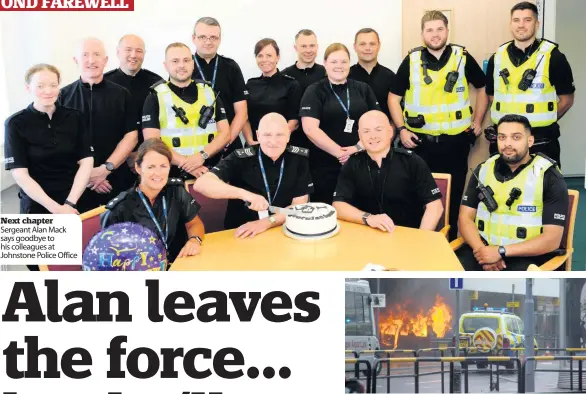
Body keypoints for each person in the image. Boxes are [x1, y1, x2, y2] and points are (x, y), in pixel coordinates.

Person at [388, 10, 488, 240]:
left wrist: (478, 121)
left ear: (447, 30)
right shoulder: (412, 60)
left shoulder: (462, 57)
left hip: (456, 142)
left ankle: (449, 243)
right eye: (430, 30)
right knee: (417, 196)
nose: (435, 34)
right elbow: (393, 97)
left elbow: (483, 88)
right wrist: (402, 129)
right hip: (419, 144)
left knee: (452, 198)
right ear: (422, 33)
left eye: (439, 29)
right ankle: (419, 242)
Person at [5, 64, 94, 271]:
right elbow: (21, 175)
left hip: (73, 201)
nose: (48, 91)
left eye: (53, 85)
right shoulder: (14, 123)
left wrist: (69, 204)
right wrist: (56, 209)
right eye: (40, 86)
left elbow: (86, 161)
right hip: (36, 205)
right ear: (28, 88)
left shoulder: (75, 117)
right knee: (40, 270)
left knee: (78, 268)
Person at [457, 114, 568, 271]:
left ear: (530, 141)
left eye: (516, 137)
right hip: (482, 249)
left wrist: (500, 252)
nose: (507, 144)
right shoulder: (483, 170)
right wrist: (482, 251)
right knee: (445, 279)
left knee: (516, 290)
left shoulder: (549, 176)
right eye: (502, 137)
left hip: (527, 255)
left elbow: (552, 239)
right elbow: (465, 217)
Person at [194, 113, 313, 238]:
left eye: (279, 135)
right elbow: (201, 184)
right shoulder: (240, 157)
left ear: (288, 135)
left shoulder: (299, 158)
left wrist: (267, 222)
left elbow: (299, 205)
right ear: (258, 135)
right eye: (267, 135)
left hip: (283, 230)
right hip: (242, 232)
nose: (273, 142)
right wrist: (245, 195)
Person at [485, 1, 575, 165]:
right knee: (501, 188)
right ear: (510, 24)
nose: (521, 25)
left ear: (537, 23)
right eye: (516, 20)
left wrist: (545, 119)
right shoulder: (497, 58)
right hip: (505, 143)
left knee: (544, 189)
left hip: (542, 142)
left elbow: (567, 99)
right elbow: (491, 96)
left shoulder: (553, 57)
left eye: (527, 20)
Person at [58, 37, 138, 213]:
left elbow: (131, 136)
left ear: (106, 60)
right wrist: (87, 176)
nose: (91, 60)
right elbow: (57, 142)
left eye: (96, 55)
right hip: (76, 185)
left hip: (117, 180)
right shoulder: (62, 96)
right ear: (76, 60)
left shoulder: (122, 94)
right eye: (85, 55)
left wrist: (105, 169)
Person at [333, 110, 443, 231]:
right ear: (359, 136)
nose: (373, 136)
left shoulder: (412, 161)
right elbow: (338, 205)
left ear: (390, 132)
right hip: (366, 237)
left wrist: (421, 239)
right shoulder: (352, 164)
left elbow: (435, 206)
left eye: (378, 129)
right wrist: (368, 218)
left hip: (408, 237)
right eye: (366, 131)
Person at [101, 138, 205, 264]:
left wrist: (194, 240)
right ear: (138, 168)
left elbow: (194, 224)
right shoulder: (119, 208)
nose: (158, 173)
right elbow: (109, 258)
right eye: (151, 167)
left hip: (179, 265)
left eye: (163, 166)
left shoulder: (176, 191)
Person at [300, 43, 380, 204]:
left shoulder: (363, 89)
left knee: (363, 211)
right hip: (325, 167)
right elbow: (310, 129)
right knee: (327, 213)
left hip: (362, 162)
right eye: (334, 62)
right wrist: (341, 153)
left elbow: (379, 123)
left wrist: (357, 148)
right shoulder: (314, 91)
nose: (339, 66)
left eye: (343, 62)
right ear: (325, 63)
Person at [142, 42, 230, 179]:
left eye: (186, 60)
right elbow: (152, 142)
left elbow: (225, 133)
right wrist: (188, 164)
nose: (181, 65)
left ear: (193, 63)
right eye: (175, 61)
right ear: (166, 65)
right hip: (172, 175)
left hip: (210, 171)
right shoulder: (155, 97)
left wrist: (202, 156)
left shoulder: (209, 92)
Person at [104, 34, 163, 170]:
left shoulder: (157, 83)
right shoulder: (105, 83)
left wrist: (143, 154)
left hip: (151, 159)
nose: (133, 55)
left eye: (139, 51)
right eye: (128, 50)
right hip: (112, 161)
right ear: (118, 52)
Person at [191, 17, 248, 155]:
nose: (208, 42)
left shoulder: (231, 67)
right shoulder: (183, 67)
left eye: (213, 37)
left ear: (219, 39)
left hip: (229, 145)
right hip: (194, 145)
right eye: (203, 37)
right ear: (194, 38)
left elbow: (242, 113)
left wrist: (225, 140)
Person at [242, 38, 301, 146]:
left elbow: (294, 121)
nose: (264, 59)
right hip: (254, 143)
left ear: (277, 57)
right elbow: (244, 117)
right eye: (260, 55)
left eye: (269, 55)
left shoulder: (291, 84)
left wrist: (274, 140)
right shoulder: (250, 84)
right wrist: (250, 140)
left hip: (281, 144)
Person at [282, 29, 327, 148]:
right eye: (303, 46)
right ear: (296, 48)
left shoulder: (327, 73)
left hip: (323, 139)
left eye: (312, 46)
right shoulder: (284, 76)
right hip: (292, 142)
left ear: (317, 47)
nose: (308, 50)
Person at [349, 28, 396, 122]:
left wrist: (392, 130)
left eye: (372, 44)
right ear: (355, 47)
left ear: (379, 46)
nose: (367, 48)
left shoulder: (390, 77)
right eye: (362, 44)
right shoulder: (345, 76)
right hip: (352, 134)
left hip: (385, 134)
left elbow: (396, 109)